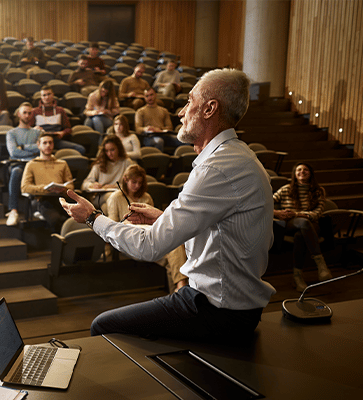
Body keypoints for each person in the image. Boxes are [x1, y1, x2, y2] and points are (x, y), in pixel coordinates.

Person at [61, 68, 276, 341]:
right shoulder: (239, 157)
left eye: (189, 102)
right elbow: (223, 231)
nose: (181, 112)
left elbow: (149, 247)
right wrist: (163, 217)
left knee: (102, 326)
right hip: (237, 305)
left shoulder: (218, 168)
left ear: (210, 109)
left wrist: (93, 217)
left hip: (217, 310)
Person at [106, 165, 188, 291]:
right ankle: (181, 290)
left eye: (140, 183)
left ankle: (178, 293)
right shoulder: (116, 197)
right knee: (175, 250)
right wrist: (128, 225)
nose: (137, 186)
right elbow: (111, 227)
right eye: (134, 182)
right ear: (125, 179)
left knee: (173, 256)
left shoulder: (146, 197)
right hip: (129, 240)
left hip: (150, 236)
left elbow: (154, 224)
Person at [273, 162, 332, 292]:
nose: (302, 172)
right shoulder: (286, 189)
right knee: (303, 223)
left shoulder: (319, 191)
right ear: (294, 174)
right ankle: (321, 264)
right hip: (290, 223)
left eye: (305, 170)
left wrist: (297, 213)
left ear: (310, 173)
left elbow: (318, 213)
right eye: (299, 170)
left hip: (311, 223)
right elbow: (266, 203)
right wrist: (277, 212)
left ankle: (297, 277)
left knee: (300, 235)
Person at [21, 133, 74, 232]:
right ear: (38, 145)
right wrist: (45, 188)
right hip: (44, 200)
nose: (48, 145)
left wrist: (63, 189)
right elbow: (25, 187)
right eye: (44, 143)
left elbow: (70, 185)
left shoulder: (62, 163)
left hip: (62, 198)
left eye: (50, 142)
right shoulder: (31, 164)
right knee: (56, 219)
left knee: (80, 217)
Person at [4, 102, 41, 226]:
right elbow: (14, 152)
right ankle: (13, 210)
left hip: (34, 164)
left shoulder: (37, 133)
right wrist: (32, 150)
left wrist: (24, 147)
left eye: (29, 113)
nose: (27, 115)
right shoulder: (12, 133)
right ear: (19, 114)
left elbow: (40, 149)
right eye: (24, 113)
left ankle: (40, 208)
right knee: (17, 172)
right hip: (18, 164)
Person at [81, 135, 135, 208]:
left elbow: (133, 184)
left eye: (112, 150)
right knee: (113, 197)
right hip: (100, 197)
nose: (109, 153)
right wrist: (92, 185)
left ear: (119, 149)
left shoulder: (126, 162)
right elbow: (84, 184)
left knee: (105, 208)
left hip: (120, 194)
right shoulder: (100, 164)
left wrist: (115, 187)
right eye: (106, 151)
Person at [31, 85, 85, 153]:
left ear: (53, 95)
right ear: (41, 97)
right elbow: (27, 129)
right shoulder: (35, 111)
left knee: (80, 149)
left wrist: (62, 133)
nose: (47, 97)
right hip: (42, 141)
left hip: (56, 140)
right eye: (44, 95)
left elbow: (68, 128)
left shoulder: (60, 110)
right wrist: (34, 129)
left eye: (49, 94)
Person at [134, 87, 184, 152]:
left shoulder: (164, 110)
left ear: (155, 95)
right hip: (149, 137)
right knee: (159, 141)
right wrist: (145, 129)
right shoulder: (140, 111)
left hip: (164, 135)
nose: (149, 98)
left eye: (151, 95)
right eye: (147, 96)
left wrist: (159, 129)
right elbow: (137, 129)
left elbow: (170, 127)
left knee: (182, 140)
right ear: (144, 97)